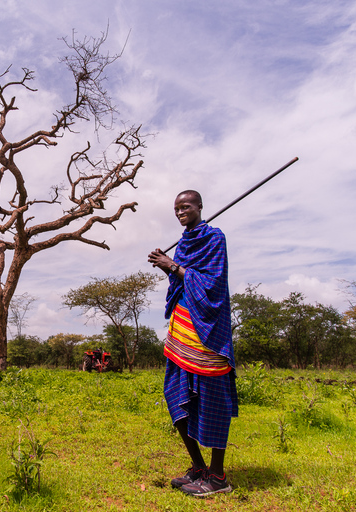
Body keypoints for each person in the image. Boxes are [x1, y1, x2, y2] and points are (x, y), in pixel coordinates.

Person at [147, 190, 238, 497]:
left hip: (208, 333)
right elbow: (182, 280)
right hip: (181, 330)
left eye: (185, 206)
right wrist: (168, 267)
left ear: (200, 207)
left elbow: (212, 283)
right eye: (176, 208)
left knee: (212, 401)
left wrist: (172, 266)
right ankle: (199, 468)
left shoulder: (215, 238)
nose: (180, 211)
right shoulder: (184, 243)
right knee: (175, 395)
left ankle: (218, 476)